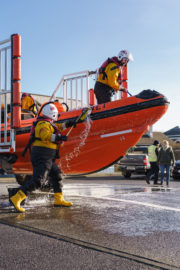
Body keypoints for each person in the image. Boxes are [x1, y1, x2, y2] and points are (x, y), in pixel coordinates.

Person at [10, 102, 76, 213]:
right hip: (42, 155)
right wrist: (59, 137)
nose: (56, 116)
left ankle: (58, 199)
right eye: (55, 114)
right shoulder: (42, 124)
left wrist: (68, 124)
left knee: (57, 175)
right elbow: (45, 135)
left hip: (48, 156)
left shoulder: (49, 123)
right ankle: (17, 197)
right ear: (52, 114)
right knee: (38, 180)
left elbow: (58, 127)